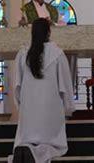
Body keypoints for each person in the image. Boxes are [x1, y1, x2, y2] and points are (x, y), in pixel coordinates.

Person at [11, 18, 75, 163]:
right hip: (49, 113)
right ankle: (36, 153)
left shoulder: (23, 54)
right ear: (48, 33)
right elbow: (65, 85)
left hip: (29, 115)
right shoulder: (57, 54)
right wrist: (68, 107)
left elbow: (17, 86)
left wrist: (22, 105)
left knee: (26, 139)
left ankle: (27, 147)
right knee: (53, 145)